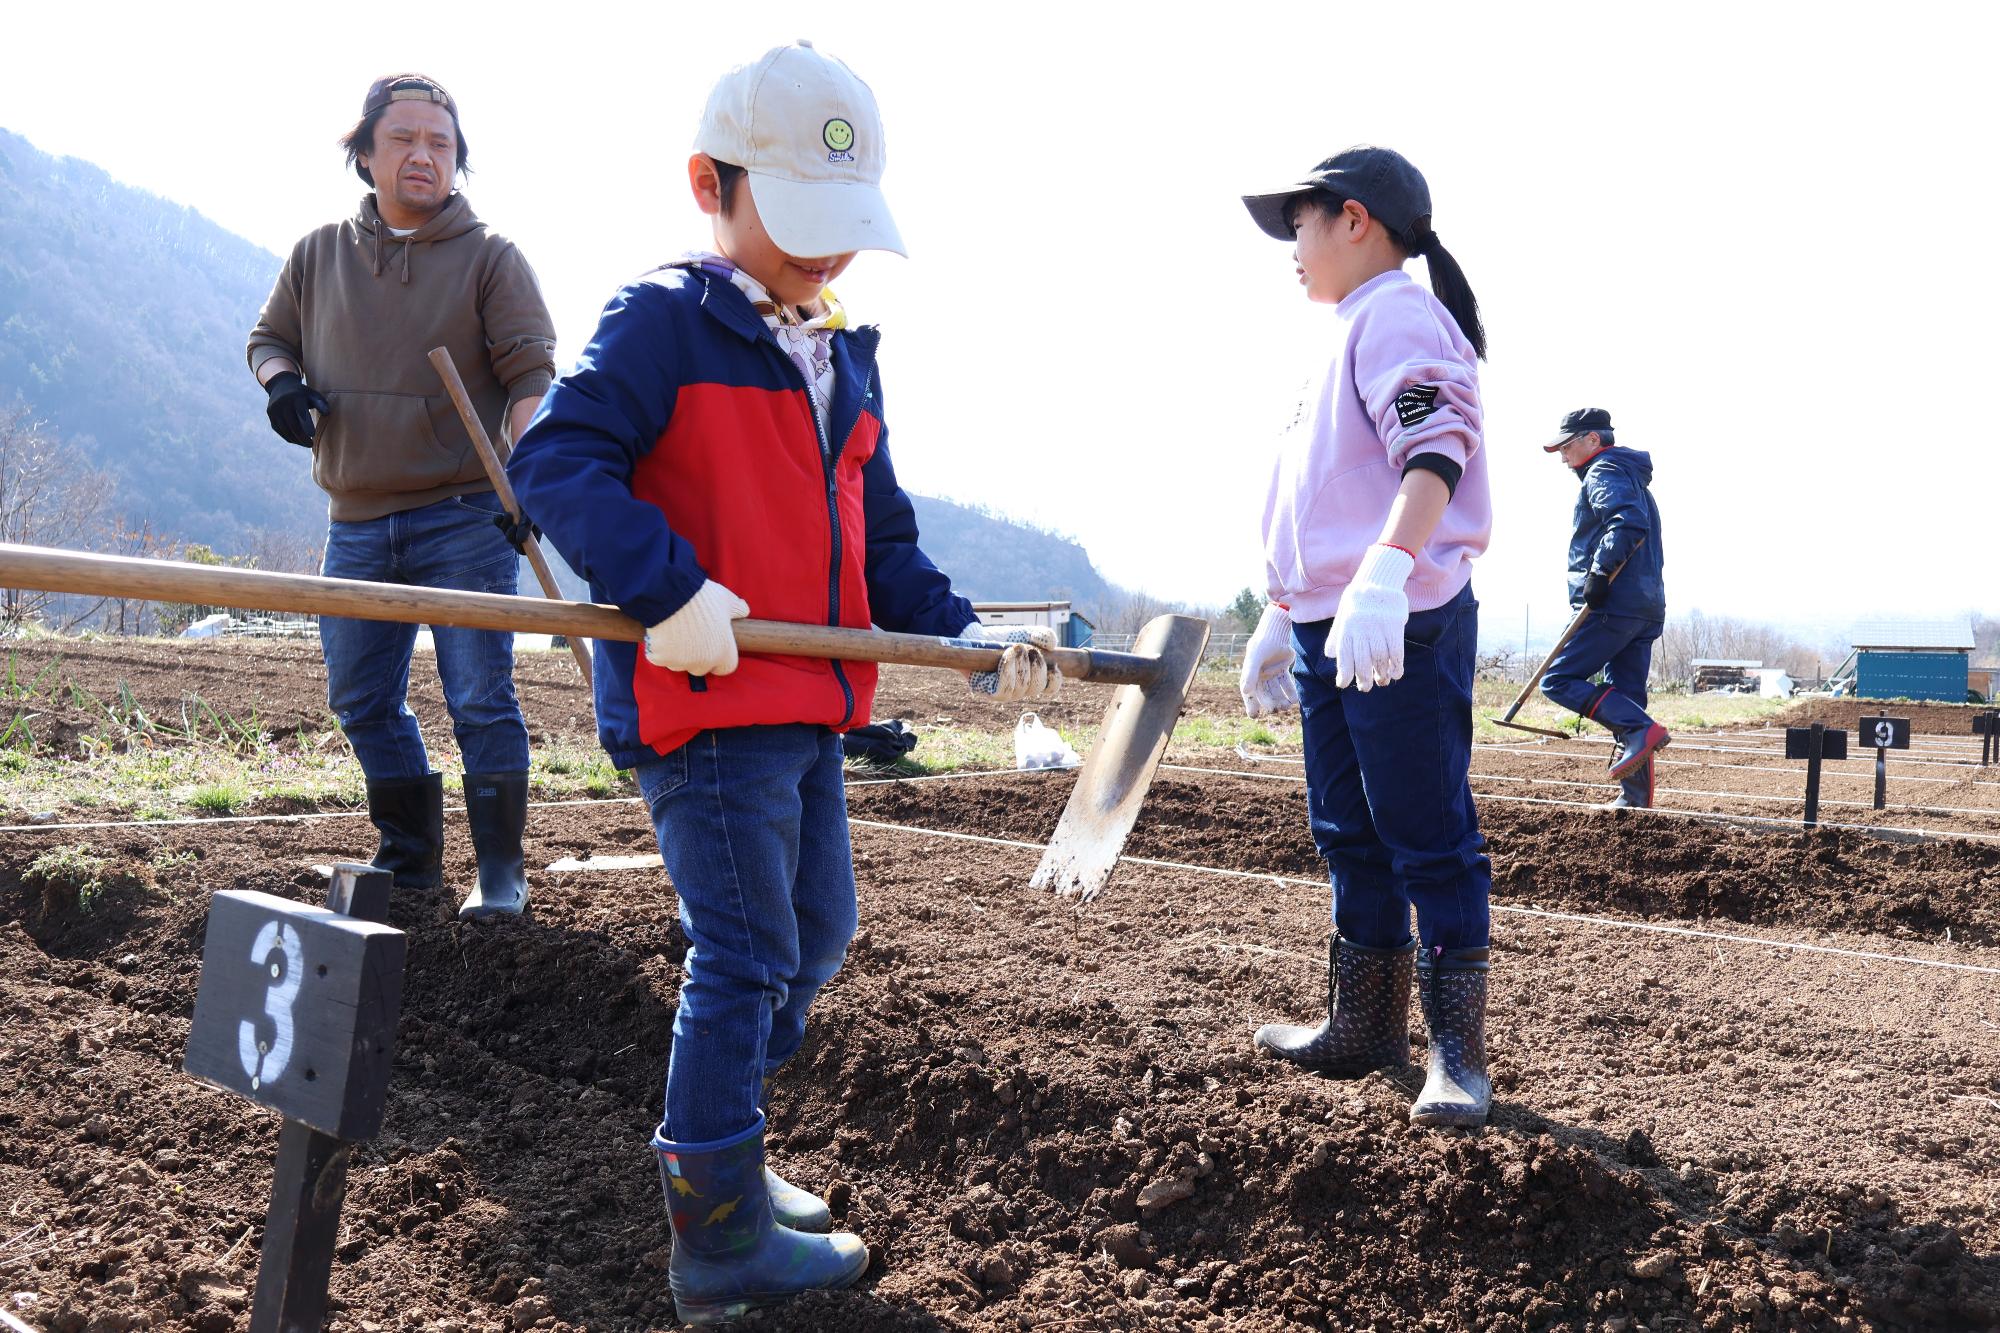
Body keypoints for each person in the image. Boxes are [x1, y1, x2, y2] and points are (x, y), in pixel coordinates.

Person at [505, 41, 1060, 1325]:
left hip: (809, 702)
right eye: (798, 222)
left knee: (812, 939)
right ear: (709, 182)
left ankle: (729, 1158)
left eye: (842, 226)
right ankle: (716, 1238)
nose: (826, 252)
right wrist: (669, 591)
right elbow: (559, 464)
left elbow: (881, 538)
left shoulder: (843, 352)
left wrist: (959, 629)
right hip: (704, 704)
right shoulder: (661, 319)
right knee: (746, 953)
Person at [246, 73, 557, 921]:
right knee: (359, 695)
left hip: (463, 515)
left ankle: (500, 873)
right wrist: (281, 385)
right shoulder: (319, 254)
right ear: (364, 155)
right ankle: (412, 858)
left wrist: (524, 466)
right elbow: (268, 339)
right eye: (404, 139)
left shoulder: (491, 258)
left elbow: (531, 376)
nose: (424, 155)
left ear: (458, 163)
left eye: (442, 145)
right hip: (354, 518)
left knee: (480, 696)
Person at [1235, 146, 1496, 1129]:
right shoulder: (1340, 330)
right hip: (1326, 621)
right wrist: (1279, 605)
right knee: (1347, 830)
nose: (1289, 248)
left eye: (1297, 224)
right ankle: (1361, 1024)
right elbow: (1320, 496)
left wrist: (1386, 572)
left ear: (1353, 221)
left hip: (1397, 621)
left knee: (1424, 831)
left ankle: (1456, 1055)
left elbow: (1433, 448)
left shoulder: (1394, 312)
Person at [1538, 408, 1669, 807]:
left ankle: (1640, 731)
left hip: (1614, 602)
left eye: (1566, 445)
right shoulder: (1629, 475)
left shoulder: (1604, 470)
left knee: (1557, 679)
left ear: (1592, 440)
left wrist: (1598, 574)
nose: (1562, 456)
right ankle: (1635, 801)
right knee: (1625, 695)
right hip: (1644, 603)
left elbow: (1627, 522)